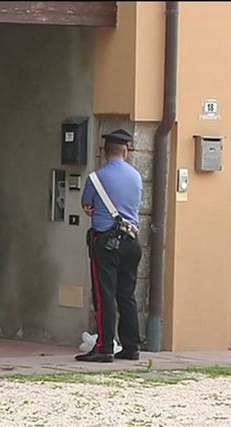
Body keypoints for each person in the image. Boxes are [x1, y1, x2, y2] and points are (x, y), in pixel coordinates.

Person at [76, 129, 142, 363]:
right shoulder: (136, 176)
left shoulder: (96, 178)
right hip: (131, 241)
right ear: (125, 151)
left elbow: (87, 205)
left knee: (104, 294)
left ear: (104, 152)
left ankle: (104, 347)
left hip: (106, 241)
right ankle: (131, 346)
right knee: (127, 295)